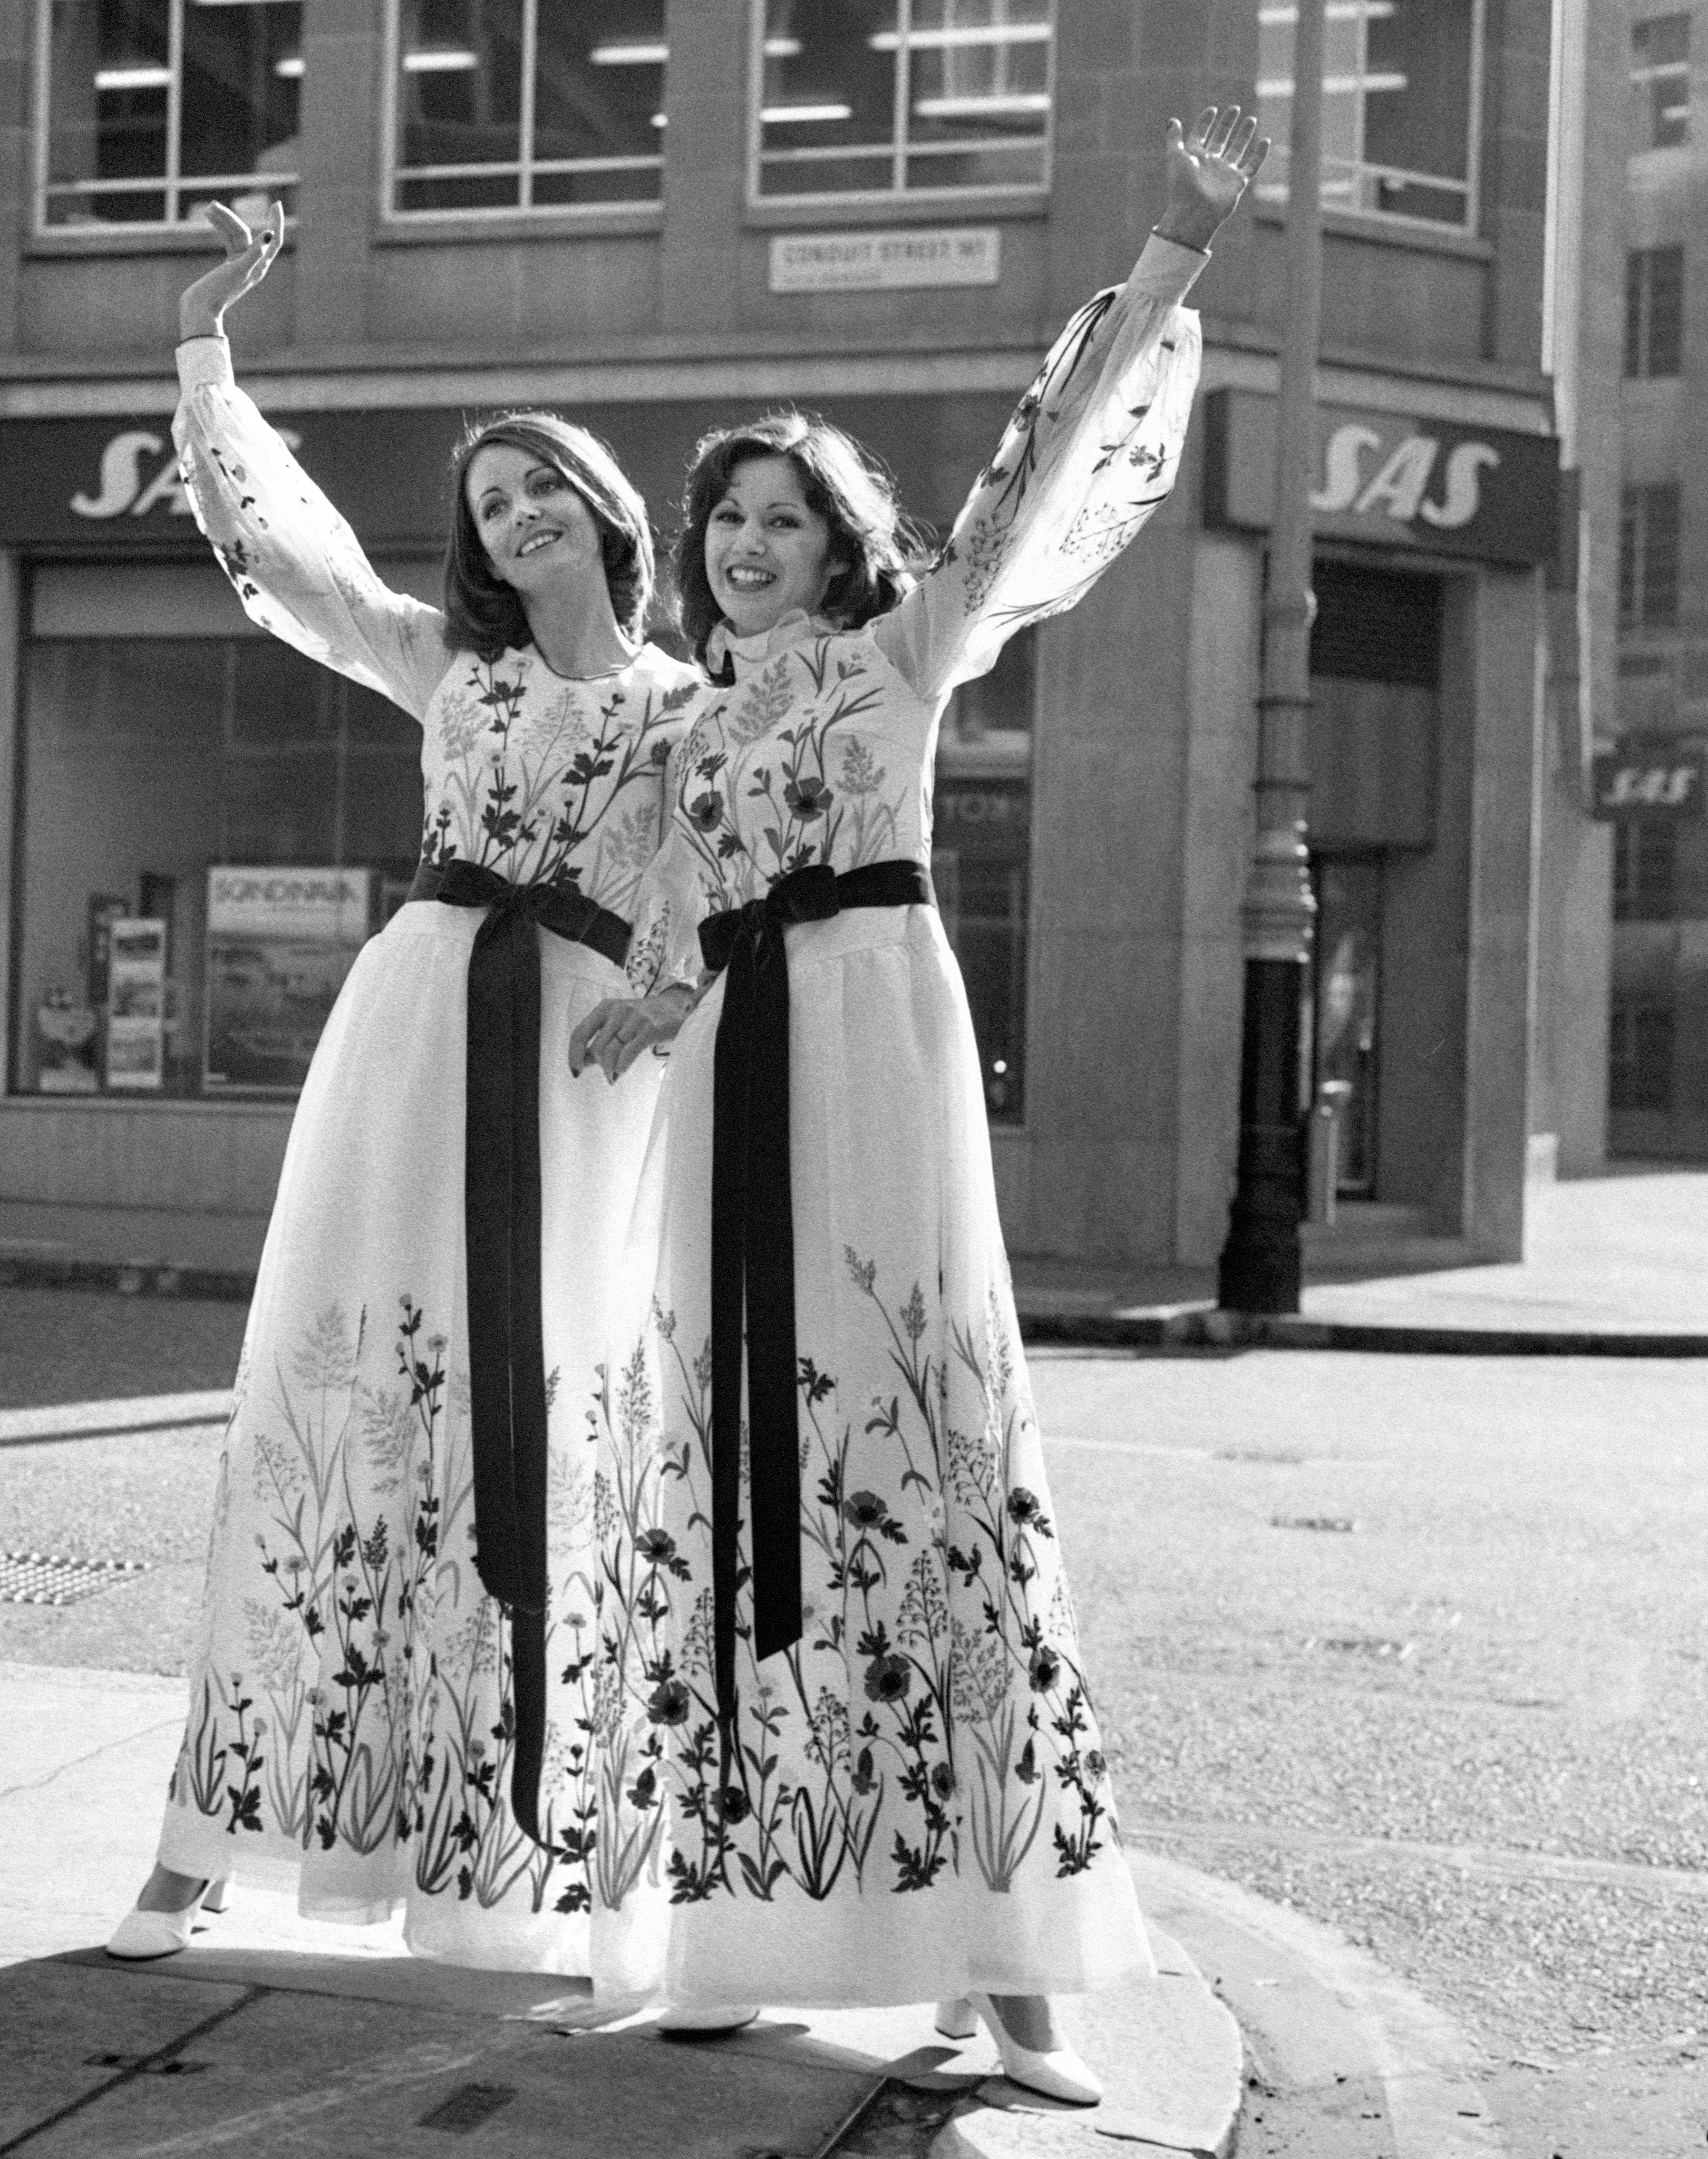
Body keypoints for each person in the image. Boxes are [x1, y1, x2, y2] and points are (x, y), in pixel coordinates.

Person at [565, 110, 1266, 2092]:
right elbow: (679, 914)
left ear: (840, 542)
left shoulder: (908, 651)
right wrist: (646, 1002)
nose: (746, 543)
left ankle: (1006, 1967)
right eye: (726, 519)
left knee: (920, 1440)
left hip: (877, 1040)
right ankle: (733, 1910)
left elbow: (1038, 471)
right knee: (730, 1455)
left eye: (782, 517)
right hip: (730, 1077)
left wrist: (1171, 248)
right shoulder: (687, 719)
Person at [106, 202, 703, 1970]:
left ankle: (520, 1843)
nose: (514, 514)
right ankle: (202, 1835)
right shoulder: (451, 668)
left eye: (542, 486)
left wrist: (663, 995)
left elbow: (728, 899)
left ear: (607, 514)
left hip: (575, 1083)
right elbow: (279, 551)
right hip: (416, 1030)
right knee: (333, 1412)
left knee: (541, 1418)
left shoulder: (691, 709)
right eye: (489, 501)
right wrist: (207, 338)